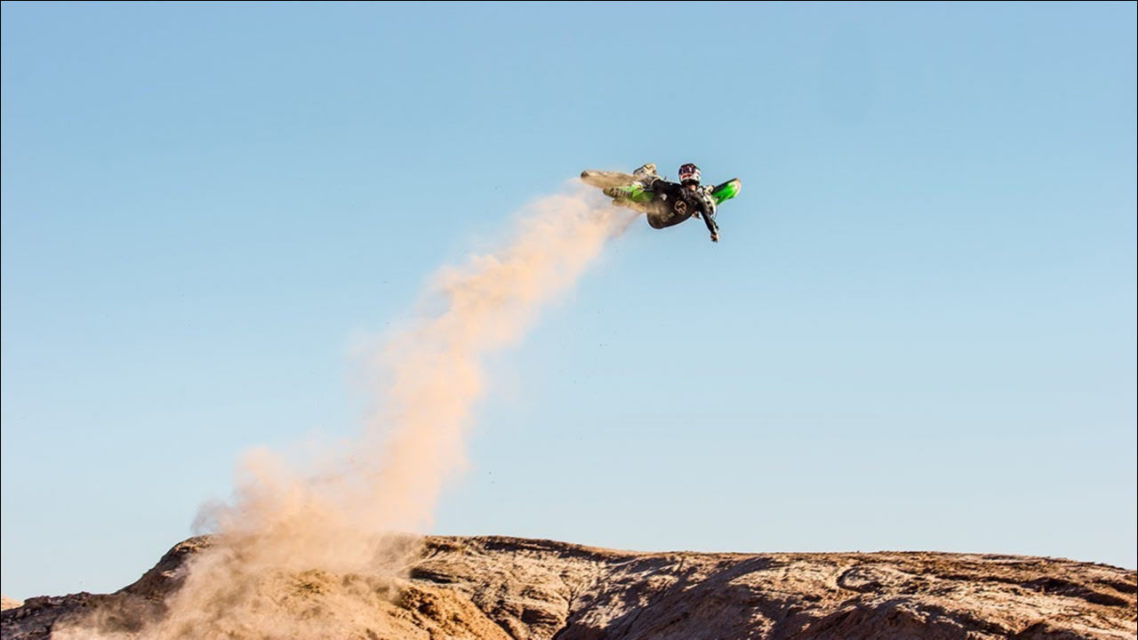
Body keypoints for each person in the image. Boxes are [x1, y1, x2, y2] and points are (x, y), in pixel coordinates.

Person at [637, 163, 721, 242]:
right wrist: (714, 232)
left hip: (655, 217)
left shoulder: (679, 189)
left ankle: (644, 176)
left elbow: (660, 184)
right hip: (659, 222)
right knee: (664, 190)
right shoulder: (699, 201)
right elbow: (707, 218)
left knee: (661, 189)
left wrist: (656, 181)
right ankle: (644, 199)